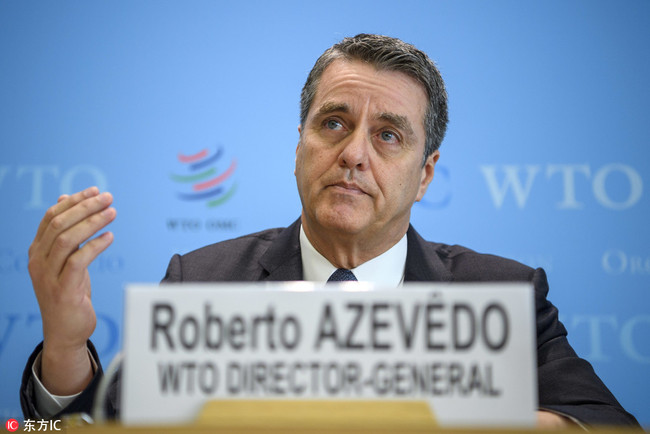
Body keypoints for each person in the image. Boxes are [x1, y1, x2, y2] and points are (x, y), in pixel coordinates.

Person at [21, 34, 639, 428]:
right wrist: (67, 348)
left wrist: (454, 420)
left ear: (424, 176)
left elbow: (608, 424)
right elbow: (93, 430)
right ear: (298, 147)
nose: (353, 155)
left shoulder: (502, 293)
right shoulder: (202, 281)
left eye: (388, 135)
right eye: (334, 124)